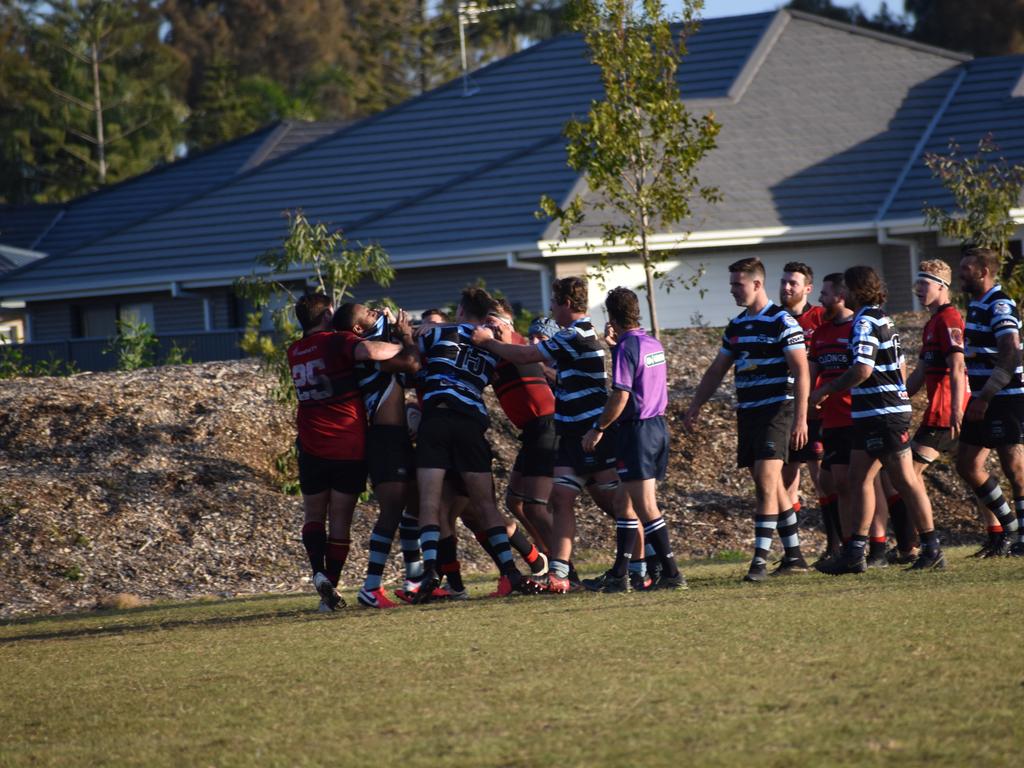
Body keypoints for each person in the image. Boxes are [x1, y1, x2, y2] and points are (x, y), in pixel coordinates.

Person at [473, 277, 636, 593]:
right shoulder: (569, 337)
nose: (549, 308)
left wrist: (487, 341)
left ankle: (642, 565)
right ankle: (560, 574)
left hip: (593, 432)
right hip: (570, 432)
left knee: (618, 502)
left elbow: (524, 356)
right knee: (561, 498)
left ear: (565, 304)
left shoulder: (575, 334)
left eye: (552, 302)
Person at [684, 257, 811, 582]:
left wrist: (801, 418)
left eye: (737, 285)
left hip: (777, 410)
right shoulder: (737, 325)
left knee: (768, 481)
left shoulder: (783, 322)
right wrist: (696, 404)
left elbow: (801, 370)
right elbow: (717, 369)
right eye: (731, 285)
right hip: (749, 412)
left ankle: (758, 561)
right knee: (764, 480)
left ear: (756, 284)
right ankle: (794, 555)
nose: (732, 291)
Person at [810, 266, 944, 574]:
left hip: (883, 412)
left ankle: (932, 547)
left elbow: (862, 369)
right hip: (872, 412)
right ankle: (855, 552)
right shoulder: (879, 317)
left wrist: (827, 389)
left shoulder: (866, 321)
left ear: (854, 292)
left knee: (906, 480)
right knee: (859, 479)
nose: (842, 294)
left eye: (846, 289)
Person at [409, 287, 537, 603]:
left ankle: (429, 572)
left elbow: (409, 353)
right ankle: (510, 571)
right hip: (470, 421)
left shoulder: (440, 333)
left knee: (430, 501)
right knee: (485, 505)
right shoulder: (492, 344)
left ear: (463, 311)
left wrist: (413, 331)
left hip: (437, 419)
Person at [287, 292, 404, 612]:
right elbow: (372, 351)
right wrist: (401, 344)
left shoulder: (294, 351)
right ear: (327, 315)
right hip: (347, 442)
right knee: (339, 522)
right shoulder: (336, 340)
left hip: (311, 442)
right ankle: (331, 591)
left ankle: (318, 573)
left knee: (313, 516)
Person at [580, 287, 686, 590]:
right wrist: (616, 347)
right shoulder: (650, 342)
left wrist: (598, 428)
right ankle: (620, 575)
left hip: (636, 431)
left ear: (611, 316)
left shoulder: (627, 348)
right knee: (623, 502)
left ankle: (672, 573)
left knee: (646, 506)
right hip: (658, 427)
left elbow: (621, 394)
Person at [332, 303, 421, 608]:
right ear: (357, 329)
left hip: (395, 436)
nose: (375, 311)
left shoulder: (372, 344)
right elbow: (411, 363)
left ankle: (414, 582)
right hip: (383, 439)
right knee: (393, 510)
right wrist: (406, 336)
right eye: (368, 313)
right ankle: (371, 587)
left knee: (414, 506)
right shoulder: (368, 355)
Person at [954, 246, 1024, 556]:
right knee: (967, 463)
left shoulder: (999, 305)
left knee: (1015, 469)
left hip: (1005, 397)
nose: (961, 273)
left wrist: (984, 396)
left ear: (984, 272)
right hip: (983, 397)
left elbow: (1010, 352)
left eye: (967, 268)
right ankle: (1008, 528)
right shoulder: (978, 304)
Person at [901, 260, 967, 557]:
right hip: (937, 412)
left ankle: (923, 545)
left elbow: (957, 366)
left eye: (924, 284)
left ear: (942, 286)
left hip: (945, 414)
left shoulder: (949, 319)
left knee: (909, 476)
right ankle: (1002, 532)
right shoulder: (932, 322)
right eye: (917, 284)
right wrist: (899, 399)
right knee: (973, 472)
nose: (918, 290)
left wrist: (956, 409)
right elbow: (919, 373)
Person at [487, 299, 556, 565]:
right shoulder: (496, 351)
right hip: (531, 431)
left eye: (494, 323)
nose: (488, 328)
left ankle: (564, 570)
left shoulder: (515, 345)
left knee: (535, 507)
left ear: (507, 325)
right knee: (515, 501)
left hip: (546, 426)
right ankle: (547, 559)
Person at [807, 273, 854, 564]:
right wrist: (809, 403)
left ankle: (862, 546)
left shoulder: (858, 328)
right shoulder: (822, 333)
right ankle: (844, 546)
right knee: (828, 481)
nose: (820, 300)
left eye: (824, 294)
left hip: (855, 416)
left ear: (840, 296)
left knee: (852, 483)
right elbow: (811, 374)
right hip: (830, 419)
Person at [779, 262, 826, 521]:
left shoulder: (820, 318)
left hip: (816, 412)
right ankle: (792, 549)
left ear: (808, 288)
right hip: (785, 410)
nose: (786, 287)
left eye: (792, 283)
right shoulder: (776, 318)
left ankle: (837, 543)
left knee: (822, 479)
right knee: (786, 481)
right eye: (783, 281)